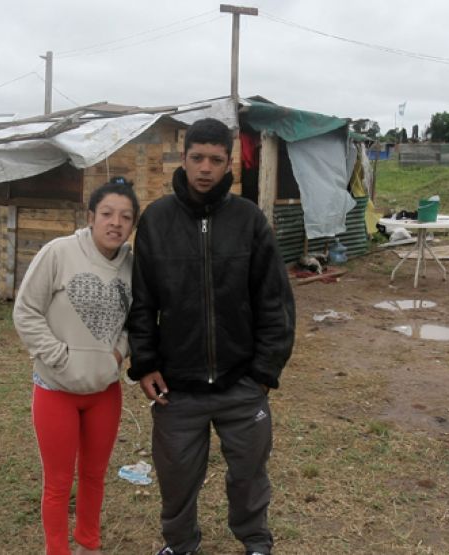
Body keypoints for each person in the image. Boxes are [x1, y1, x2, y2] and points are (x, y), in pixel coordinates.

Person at [127, 118, 296, 555]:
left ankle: (255, 541)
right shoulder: (158, 220)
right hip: (176, 388)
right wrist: (144, 364)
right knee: (176, 476)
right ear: (183, 159)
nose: (205, 168)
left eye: (216, 160)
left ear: (229, 166)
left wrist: (263, 372)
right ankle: (179, 545)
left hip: (241, 383)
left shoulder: (249, 220)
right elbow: (142, 301)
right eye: (197, 158)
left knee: (248, 474)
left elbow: (274, 301)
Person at [13, 177, 140, 555]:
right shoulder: (59, 253)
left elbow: (138, 320)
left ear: (133, 225)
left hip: (104, 392)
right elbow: (26, 312)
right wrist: (58, 357)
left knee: (94, 476)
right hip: (56, 391)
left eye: (126, 216)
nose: (115, 223)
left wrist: (117, 355)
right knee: (57, 482)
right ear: (90, 217)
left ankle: (88, 543)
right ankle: (57, 550)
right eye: (107, 214)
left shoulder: (133, 266)